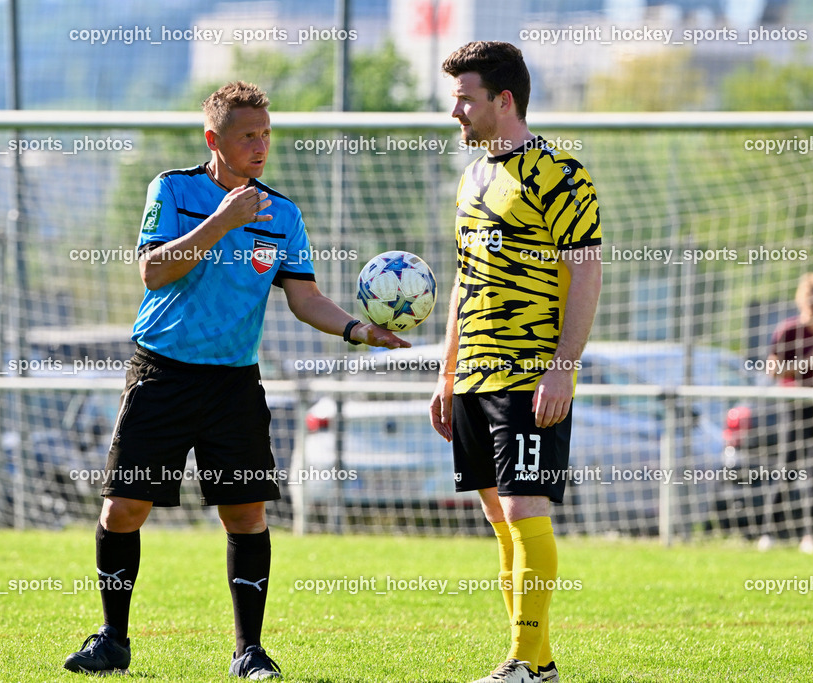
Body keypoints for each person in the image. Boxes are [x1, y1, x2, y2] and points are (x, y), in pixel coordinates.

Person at [63, 81, 410, 678]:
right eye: (247, 136)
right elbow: (152, 271)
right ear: (213, 140)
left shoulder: (284, 214)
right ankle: (113, 638)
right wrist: (221, 223)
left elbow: (306, 299)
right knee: (124, 509)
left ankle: (249, 651)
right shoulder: (173, 189)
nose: (260, 146)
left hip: (233, 384)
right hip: (162, 373)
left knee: (246, 515)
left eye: (266, 135)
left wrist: (358, 329)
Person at [429, 42, 602, 683]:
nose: (456, 111)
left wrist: (565, 365)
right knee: (501, 521)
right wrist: (446, 373)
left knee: (526, 511)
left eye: (465, 98)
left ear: (504, 101)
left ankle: (524, 663)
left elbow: (586, 271)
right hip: (472, 372)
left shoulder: (559, 172)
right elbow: (463, 281)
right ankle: (538, 661)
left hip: (530, 372)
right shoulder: (471, 178)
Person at [757, 272, 813, 554]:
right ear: (802, 300)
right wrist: (807, 363)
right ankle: (769, 531)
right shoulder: (788, 331)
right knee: (788, 466)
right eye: (811, 298)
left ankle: (811, 534)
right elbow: (773, 369)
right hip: (795, 405)